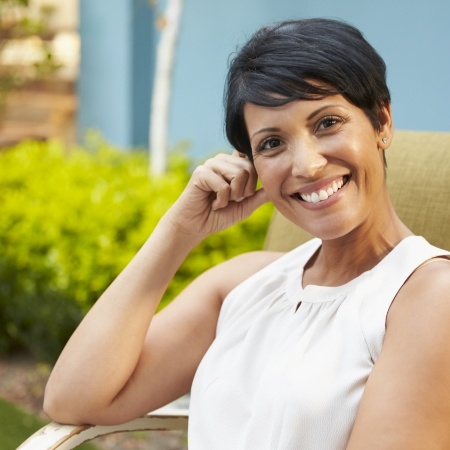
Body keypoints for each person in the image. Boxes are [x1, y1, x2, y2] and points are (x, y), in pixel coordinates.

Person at [44, 18, 450, 449]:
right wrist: (179, 231)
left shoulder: (429, 299)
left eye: (327, 123)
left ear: (382, 121)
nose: (307, 165)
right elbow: (74, 398)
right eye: (272, 143)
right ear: (250, 164)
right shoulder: (244, 284)